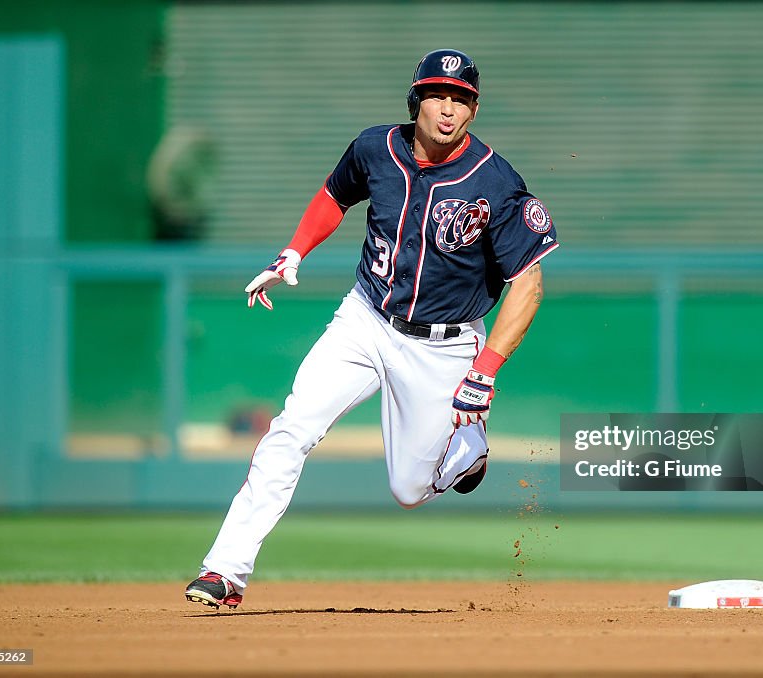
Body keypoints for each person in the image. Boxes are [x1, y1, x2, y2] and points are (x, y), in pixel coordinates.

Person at [185, 49, 560, 609]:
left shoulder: (496, 183)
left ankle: (468, 450)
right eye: (438, 95)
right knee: (290, 430)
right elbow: (335, 195)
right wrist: (294, 250)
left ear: (474, 109)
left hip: (446, 344)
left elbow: (528, 284)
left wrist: (485, 371)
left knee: (409, 490)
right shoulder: (375, 148)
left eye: (461, 98)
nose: (448, 109)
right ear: (417, 100)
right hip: (365, 319)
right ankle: (225, 571)